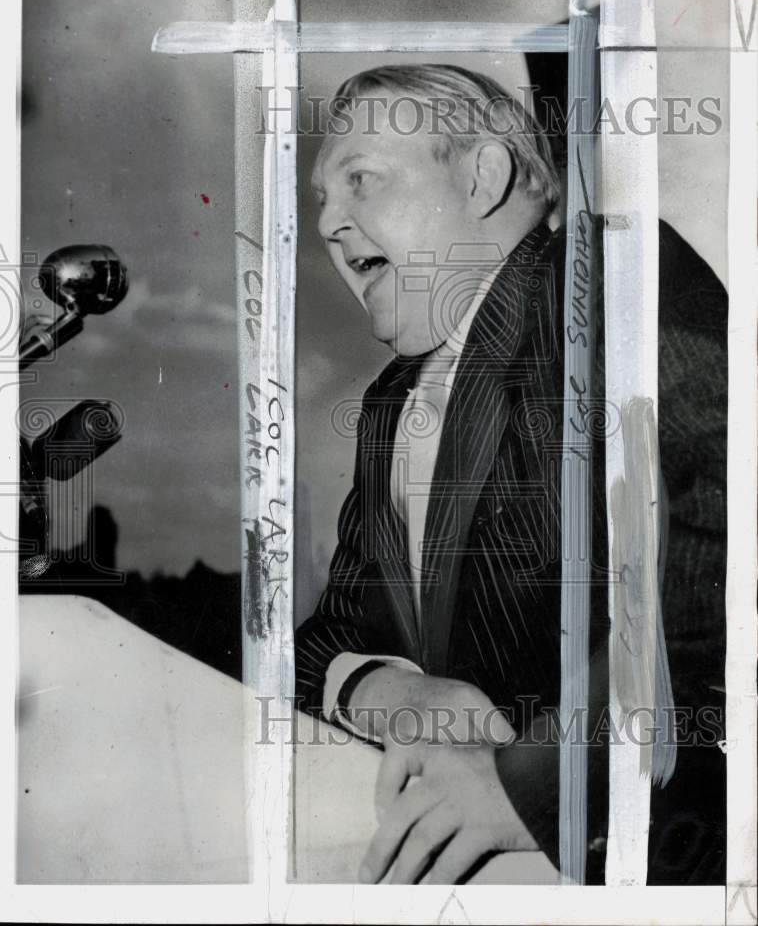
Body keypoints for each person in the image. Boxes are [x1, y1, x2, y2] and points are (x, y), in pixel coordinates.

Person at [295, 64, 727, 885]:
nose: (328, 222)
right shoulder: (390, 402)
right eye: (321, 198)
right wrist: (384, 688)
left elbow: (734, 565)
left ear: (485, 175)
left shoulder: (604, 277)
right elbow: (326, 638)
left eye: (361, 179)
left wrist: (535, 785)